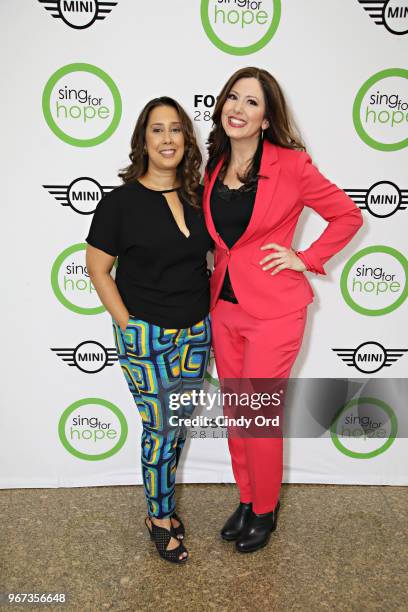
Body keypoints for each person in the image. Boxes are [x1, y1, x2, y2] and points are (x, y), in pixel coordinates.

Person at [204, 67, 363, 553]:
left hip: (275, 310)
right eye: (233, 97)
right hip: (224, 308)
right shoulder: (214, 165)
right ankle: (247, 499)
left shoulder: (292, 166)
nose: (238, 108)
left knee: (258, 414)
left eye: (252, 102)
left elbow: (347, 215)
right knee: (236, 412)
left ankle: (266, 510)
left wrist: (306, 258)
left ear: (267, 118)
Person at [86, 97, 213, 563]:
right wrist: (128, 326)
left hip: (197, 332)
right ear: (143, 139)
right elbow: (98, 269)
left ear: (186, 140)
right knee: (159, 428)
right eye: (157, 130)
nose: (167, 139)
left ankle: (162, 505)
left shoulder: (198, 196)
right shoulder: (120, 203)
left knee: (177, 426)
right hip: (148, 336)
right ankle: (159, 517)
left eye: (175, 130)